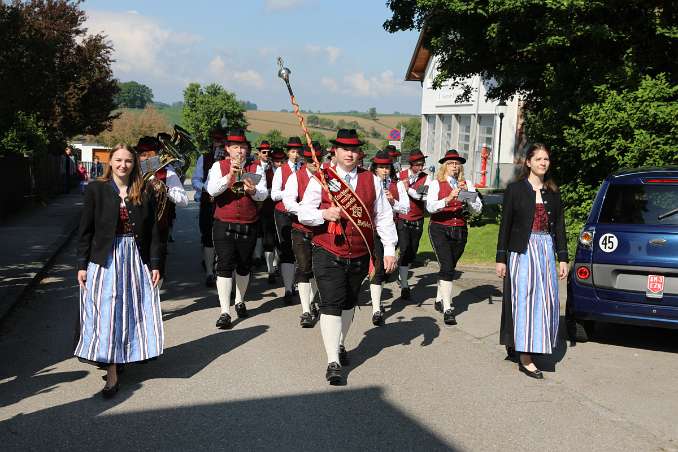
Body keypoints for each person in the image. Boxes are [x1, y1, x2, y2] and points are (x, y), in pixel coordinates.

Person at [299, 129, 398, 385]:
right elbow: (303, 211)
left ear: (359, 153)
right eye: (344, 149)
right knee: (331, 302)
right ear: (336, 151)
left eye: (354, 149)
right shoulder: (321, 177)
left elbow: (384, 216)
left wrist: (388, 249)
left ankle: (340, 343)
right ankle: (332, 360)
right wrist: (324, 214)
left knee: (348, 303)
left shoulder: (370, 180)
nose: (349, 153)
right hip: (327, 249)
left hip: (360, 251)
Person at [75, 144, 163, 399]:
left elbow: (154, 232)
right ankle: (111, 373)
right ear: (110, 162)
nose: (123, 165)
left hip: (135, 257)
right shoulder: (96, 189)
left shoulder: (143, 190)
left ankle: (125, 355)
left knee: (130, 310)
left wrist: (155, 263)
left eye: (128, 161)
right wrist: (82, 264)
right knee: (107, 312)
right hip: (105, 259)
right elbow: (85, 230)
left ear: (134, 164)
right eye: (118, 160)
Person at [495, 143, 568, 379]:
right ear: (528, 162)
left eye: (546, 159)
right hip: (522, 252)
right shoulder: (515, 190)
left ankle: (536, 345)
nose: (543, 163)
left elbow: (559, 227)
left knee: (545, 300)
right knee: (524, 301)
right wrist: (501, 258)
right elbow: (505, 226)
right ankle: (525, 356)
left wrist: (563, 258)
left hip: (545, 250)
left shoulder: (553, 192)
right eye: (538, 159)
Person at [206, 128, 267, 329]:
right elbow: (212, 190)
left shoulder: (256, 167)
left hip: (248, 222)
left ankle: (240, 300)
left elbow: (263, 195)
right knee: (224, 264)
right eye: (235, 147)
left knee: (243, 265)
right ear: (227, 149)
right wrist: (229, 176)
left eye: (242, 147)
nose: (239, 151)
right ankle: (225, 311)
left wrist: (253, 190)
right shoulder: (218, 166)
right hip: (223, 221)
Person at [426, 150, 483, 325]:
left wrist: (469, 196)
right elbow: (430, 207)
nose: (455, 166)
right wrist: (448, 199)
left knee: (448, 267)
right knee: (448, 266)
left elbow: (477, 209)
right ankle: (448, 308)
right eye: (451, 163)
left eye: (457, 163)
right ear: (444, 166)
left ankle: (438, 298)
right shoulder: (436, 184)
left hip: (459, 229)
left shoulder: (467, 184)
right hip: (439, 228)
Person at [136, 136, 189, 285]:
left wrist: (164, 187)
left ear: (158, 155)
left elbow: (184, 201)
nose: (146, 158)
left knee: (157, 268)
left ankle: (154, 302)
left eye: (150, 154)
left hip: (158, 227)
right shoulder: (131, 170)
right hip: (134, 229)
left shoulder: (167, 172)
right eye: (142, 154)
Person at [282, 141, 323, 327]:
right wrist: (308, 212)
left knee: (318, 268)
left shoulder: (327, 177)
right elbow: (288, 202)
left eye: (319, 160)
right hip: (301, 229)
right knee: (304, 268)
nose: (316, 164)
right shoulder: (295, 178)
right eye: (312, 161)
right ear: (305, 161)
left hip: (323, 230)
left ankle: (314, 300)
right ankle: (306, 310)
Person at [368, 150, 409, 326]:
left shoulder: (397, 185)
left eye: (387, 167)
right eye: (381, 167)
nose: (384, 170)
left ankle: (379, 295)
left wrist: (393, 202)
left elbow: (406, 209)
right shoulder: (368, 183)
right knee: (377, 267)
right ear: (375, 168)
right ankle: (376, 309)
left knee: (385, 269)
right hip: (372, 230)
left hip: (392, 230)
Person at [192, 127, 226, 287]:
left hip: (225, 203)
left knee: (223, 238)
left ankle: (220, 270)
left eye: (220, 141)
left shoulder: (229, 160)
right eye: (215, 141)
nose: (217, 144)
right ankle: (209, 272)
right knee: (207, 236)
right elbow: (196, 180)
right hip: (208, 203)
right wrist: (207, 188)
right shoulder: (203, 158)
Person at [271, 137, 303, 304]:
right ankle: (288, 288)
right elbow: (274, 194)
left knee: (301, 249)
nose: (295, 155)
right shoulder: (281, 170)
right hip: (283, 212)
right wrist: (289, 192)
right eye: (292, 151)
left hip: (301, 213)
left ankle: (299, 284)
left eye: (298, 151)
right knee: (286, 249)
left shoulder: (305, 169)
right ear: (288, 153)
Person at [397, 150, 432, 300]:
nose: (421, 167)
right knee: (404, 248)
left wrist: (408, 189)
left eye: (422, 164)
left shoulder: (427, 178)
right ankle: (405, 284)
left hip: (418, 217)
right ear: (411, 165)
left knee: (413, 250)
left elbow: (422, 196)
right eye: (418, 164)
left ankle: (402, 273)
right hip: (402, 217)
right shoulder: (400, 175)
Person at [253, 140, 277, 284]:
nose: (266, 154)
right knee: (256, 233)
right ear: (259, 153)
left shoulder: (273, 168)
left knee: (269, 236)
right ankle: (256, 257)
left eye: (268, 152)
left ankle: (270, 270)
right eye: (264, 152)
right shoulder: (254, 167)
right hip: (255, 205)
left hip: (268, 206)